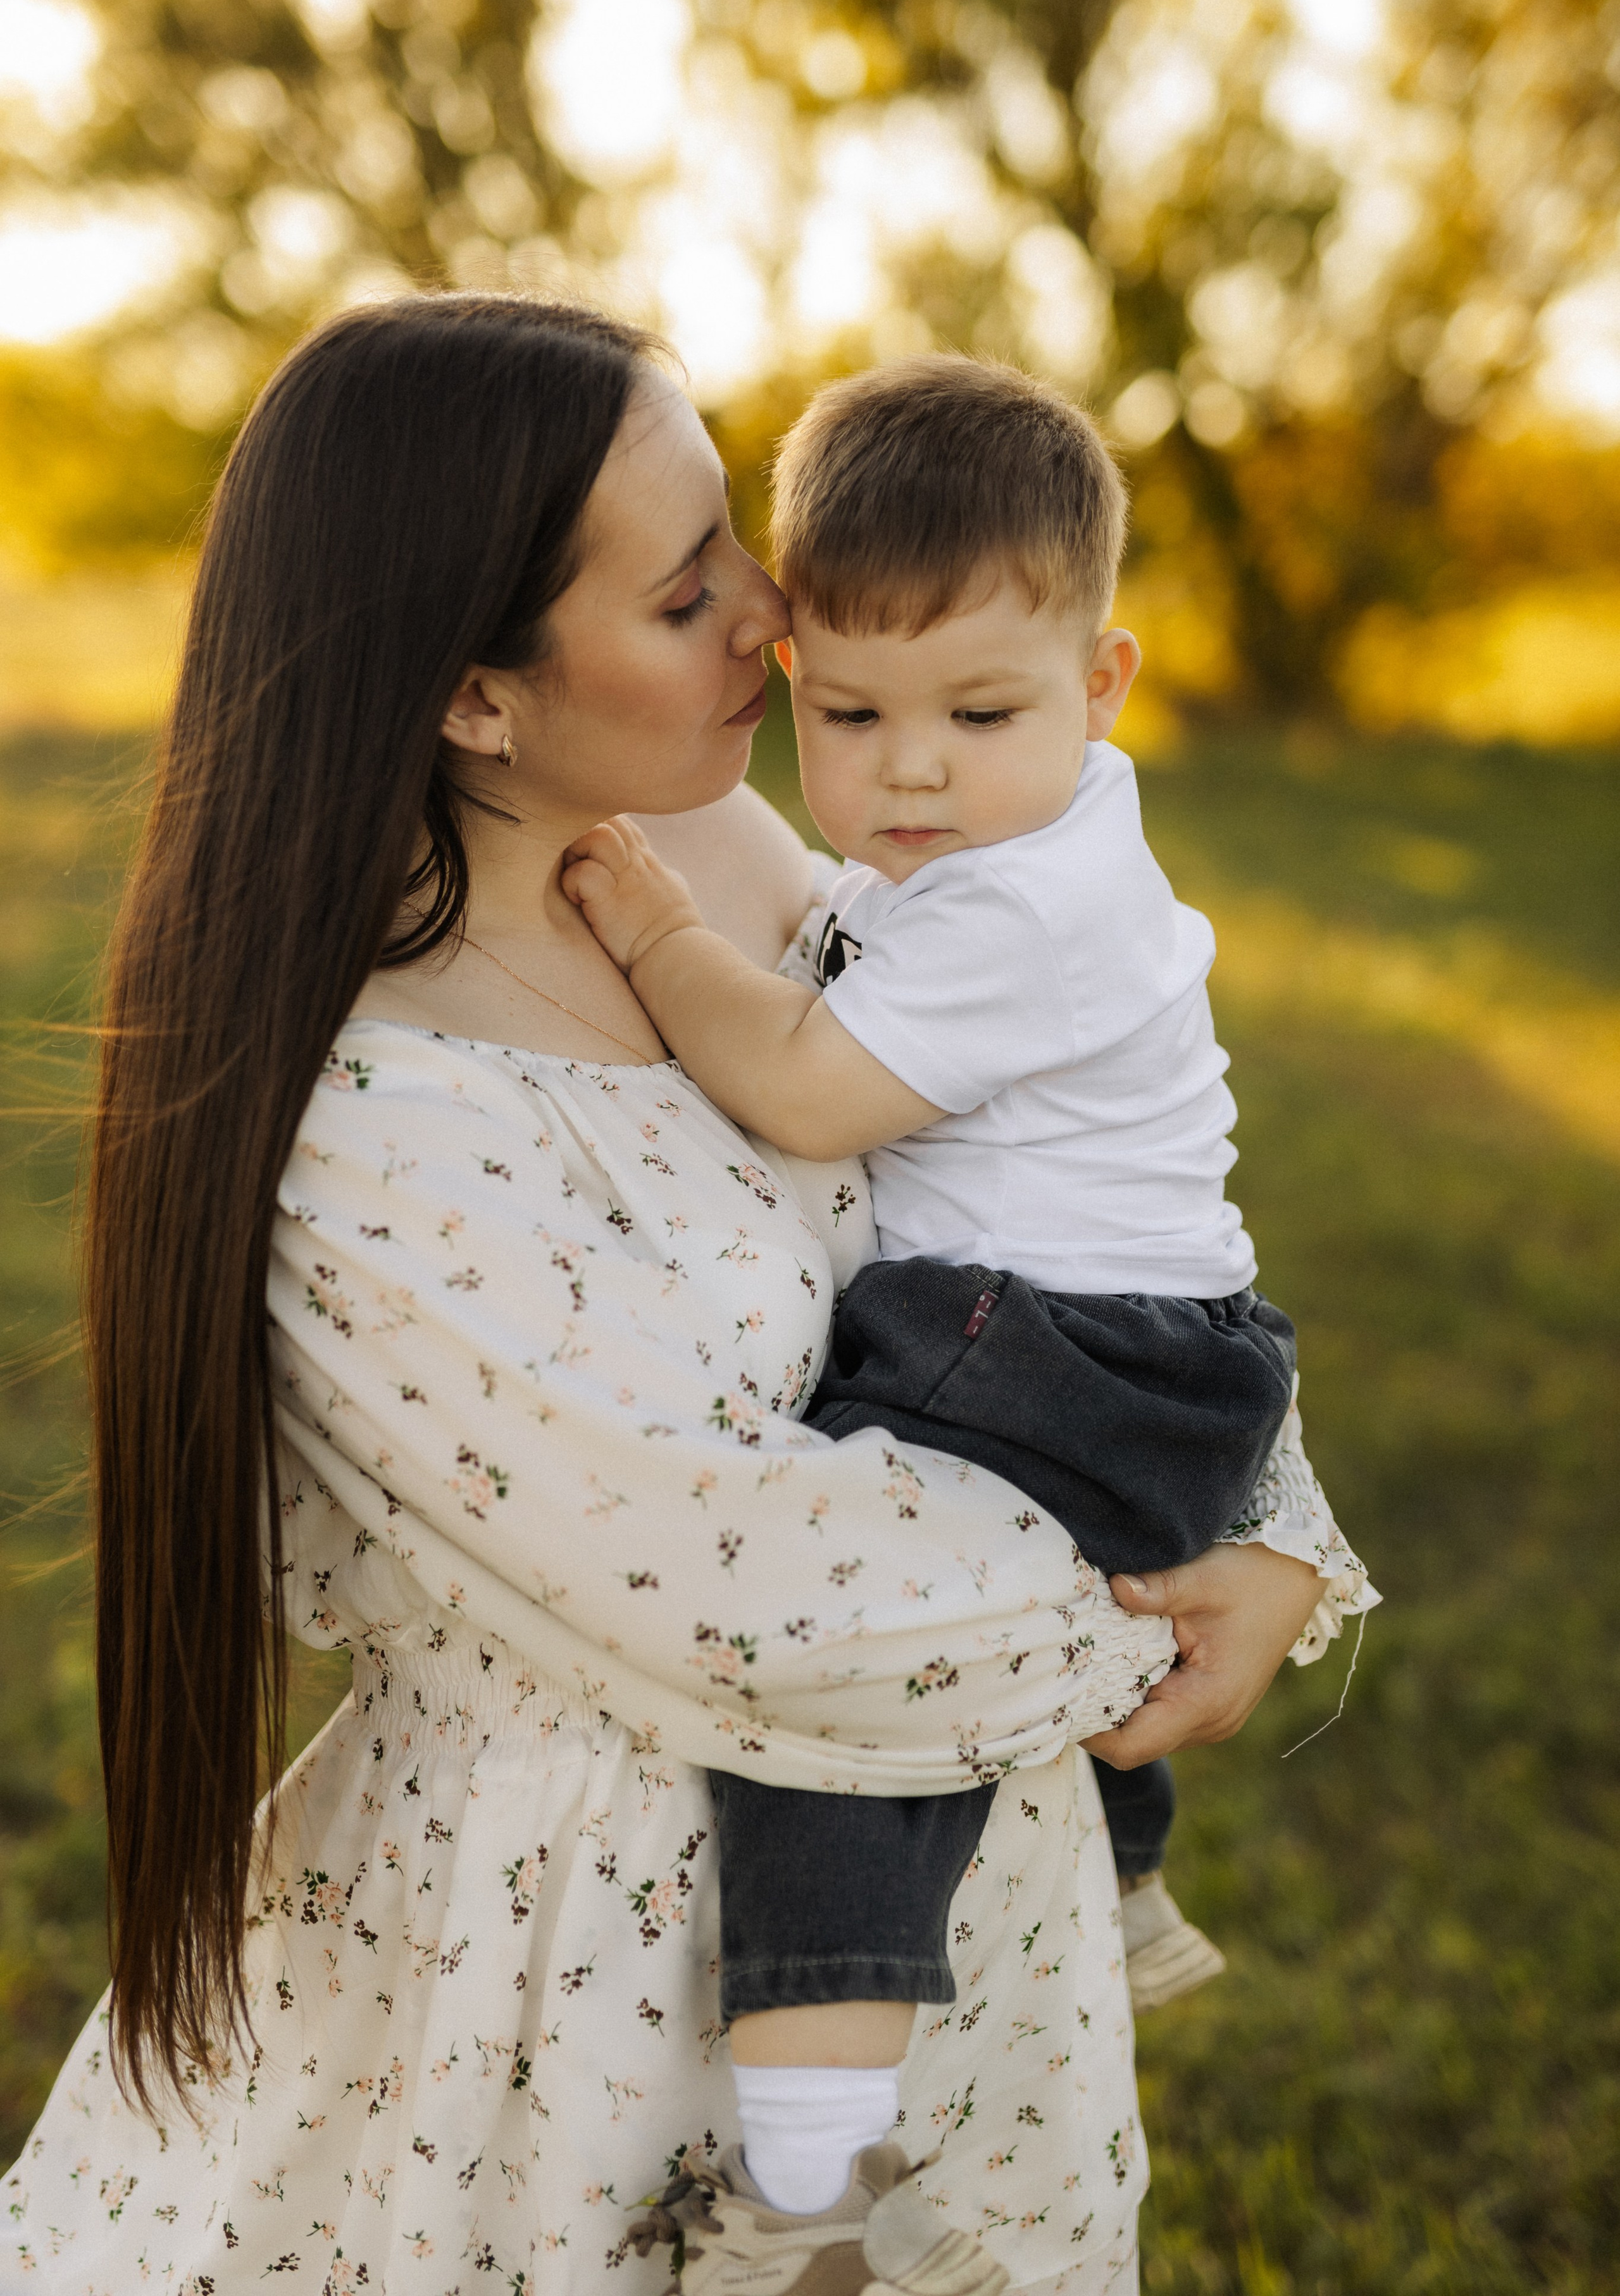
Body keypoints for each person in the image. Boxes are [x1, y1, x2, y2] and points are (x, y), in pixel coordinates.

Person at [0, 296, 1373, 2296]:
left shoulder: (739, 849)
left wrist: (1262, 1526)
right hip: (595, 1963)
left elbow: (1067, 1205)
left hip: (949, 1876)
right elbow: (742, 1584)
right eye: (683, 592)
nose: (773, 610)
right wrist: (1141, 1610)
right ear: (478, 697)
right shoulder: (375, 1122)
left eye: (735, 532)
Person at [560, 352, 1372, 2237]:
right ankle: (1128, 1864)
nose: (909, 768)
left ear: (1106, 683)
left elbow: (801, 1083)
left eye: (980, 710)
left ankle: (809, 2161)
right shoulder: (1019, 832)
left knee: (850, 1670)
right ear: (792, 680)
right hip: (1147, 1343)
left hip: (1062, 1341)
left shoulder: (1023, 904)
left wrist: (661, 930)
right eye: (850, 711)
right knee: (996, 1605)